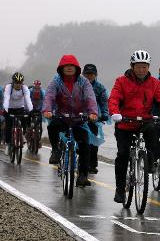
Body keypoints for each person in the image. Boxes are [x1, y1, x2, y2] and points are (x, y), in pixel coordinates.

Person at [109, 49, 160, 203]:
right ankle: (120, 190)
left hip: (144, 121)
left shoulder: (155, 83)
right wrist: (115, 113)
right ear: (132, 66)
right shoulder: (121, 81)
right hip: (125, 123)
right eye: (138, 66)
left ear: (148, 67)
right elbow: (114, 99)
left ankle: (151, 162)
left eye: (145, 66)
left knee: (154, 130)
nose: (142, 70)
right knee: (122, 155)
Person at [43, 54, 98, 187]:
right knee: (52, 127)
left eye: (71, 66)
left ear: (76, 68)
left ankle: (83, 175)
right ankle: (55, 150)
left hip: (79, 118)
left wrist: (93, 113)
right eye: (66, 66)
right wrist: (47, 110)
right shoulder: (55, 81)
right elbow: (49, 96)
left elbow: (90, 97)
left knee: (85, 144)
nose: (68, 68)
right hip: (61, 116)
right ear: (61, 68)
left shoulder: (83, 82)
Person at [82, 63, 109, 174]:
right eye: (87, 74)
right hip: (78, 116)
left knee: (93, 143)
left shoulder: (100, 88)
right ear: (83, 74)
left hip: (93, 117)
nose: (89, 76)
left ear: (96, 75)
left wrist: (104, 114)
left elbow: (104, 103)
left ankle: (92, 164)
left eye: (92, 74)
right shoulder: (77, 85)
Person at [3, 72, 33, 154]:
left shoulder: (24, 88)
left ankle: (22, 134)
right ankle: (8, 144)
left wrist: (30, 110)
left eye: (20, 83)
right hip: (9, 108)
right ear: (13, 82)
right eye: (16, 83)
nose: (18, 85)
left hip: (20, 108)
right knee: (9, 127)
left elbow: (28, 99)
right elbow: (6, 98)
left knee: (25, 121)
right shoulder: (9, 87)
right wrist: (5, 109)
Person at [27, 80, 45, 145]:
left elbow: (44, 100)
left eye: (38, 86)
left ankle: (39, 139)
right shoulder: (30, 91)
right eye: (36, 86)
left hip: (39, 109)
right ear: (34, 85)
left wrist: (44, 109)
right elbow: (27, 99)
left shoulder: (42, 92)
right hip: (31, 108)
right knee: (28, 117)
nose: (37, 87)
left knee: (39, 125)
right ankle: (28, 129)